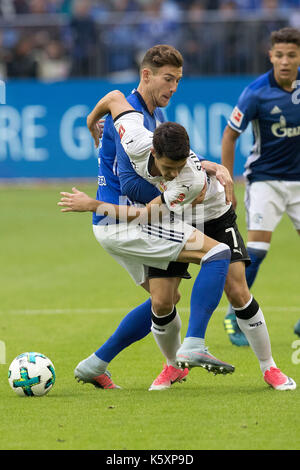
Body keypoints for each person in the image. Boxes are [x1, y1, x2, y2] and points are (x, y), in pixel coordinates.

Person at [59, 89, 296, 392]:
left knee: (237, 289)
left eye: (179, 167)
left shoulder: (188, 181)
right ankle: (172, 366)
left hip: (212, 216)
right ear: (153, 152)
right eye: (168, 168)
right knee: (162, 301)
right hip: (174, 220)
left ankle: (268, 367)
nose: (172, 174)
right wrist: (92, 121)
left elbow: (146, 214)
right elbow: (115, 98)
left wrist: (94, 206)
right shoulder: (134, 138)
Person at [221, 27, 300, 346]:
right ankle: (235, 313)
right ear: (271, 56)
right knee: (257, 250)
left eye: (291, 55)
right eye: (279, 55)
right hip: (265, 179)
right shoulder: (255, 93)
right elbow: (229, 136)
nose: (284, 61)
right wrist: (227, 182)